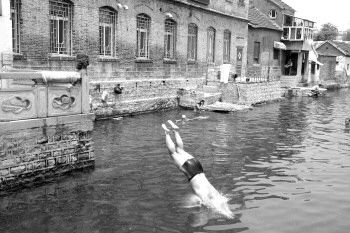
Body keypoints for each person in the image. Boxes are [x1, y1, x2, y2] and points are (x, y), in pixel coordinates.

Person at [162, 120, 233, 218]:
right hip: (191, 171)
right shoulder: (205, 198)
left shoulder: (217, 194)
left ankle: (176, 131)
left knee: (180, 150)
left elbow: (223, 202)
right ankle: (167, 133)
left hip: (198, 166)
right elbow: (201, 202)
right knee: (173, 153)